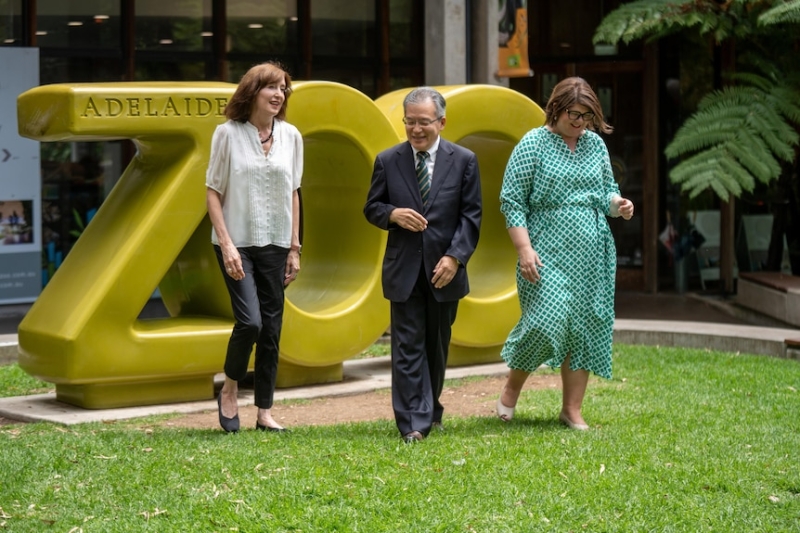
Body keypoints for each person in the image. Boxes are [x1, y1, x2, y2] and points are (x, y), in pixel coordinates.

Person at [495, 77, 634, 430]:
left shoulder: (595, 146)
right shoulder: (533, 144)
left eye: (587, 116)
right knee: (546, 320)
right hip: (546, 251)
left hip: (591, 253)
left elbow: (606, 193)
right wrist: (524, 249)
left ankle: (571, 409)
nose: (580, 122)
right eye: (574, 113)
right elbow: (512, 201)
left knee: (584, 326)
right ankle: (512, 388)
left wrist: (619, 205)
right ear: (556, 107)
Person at [364, 87, 482, 443]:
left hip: (444, 270)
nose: (416, 129)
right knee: (407, 346)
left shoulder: (464, 160)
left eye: (424, 122)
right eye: (409, 122)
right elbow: (372, 208)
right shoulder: (387, 160)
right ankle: (413, 422)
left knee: (436, 345)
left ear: (441, 122)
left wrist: (455, 257)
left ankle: (430, 410)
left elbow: (471, 215)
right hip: (404, 270)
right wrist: (393, 214)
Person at [206, 61, 303, 433]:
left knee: (272, 329)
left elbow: (294, 191)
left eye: (283, 88)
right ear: (252, 91)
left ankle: (264, 411)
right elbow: (213, 191)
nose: (279, 94)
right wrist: (227, 244)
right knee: (250, 322)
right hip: (237, 243)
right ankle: (229, 388)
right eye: (271, 87)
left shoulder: (291, 136)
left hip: (278, 242)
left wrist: (295, 247)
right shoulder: (227, 134)